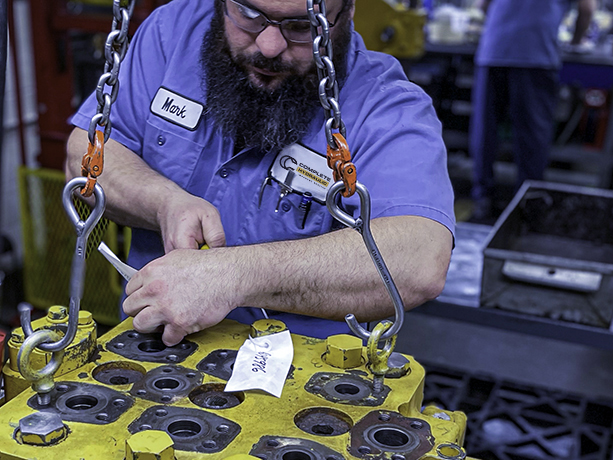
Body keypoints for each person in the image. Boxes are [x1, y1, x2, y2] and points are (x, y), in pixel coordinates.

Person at [67, 0, 455, 346]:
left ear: (347, 14)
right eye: (249, 14)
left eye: (302, 26)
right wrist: (162, 202)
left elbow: (419, 261)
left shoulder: (385, 106)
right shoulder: (172, 35)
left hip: (303, 393)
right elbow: (85, 156)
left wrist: (232, 276)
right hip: (155, 356)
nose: (269, 46)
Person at [469, 0, 596, 223]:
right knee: (532, 135)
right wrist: (576, 41)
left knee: (485, 130)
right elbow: (586, 10)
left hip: (494, 49)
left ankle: (482, 199)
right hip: (536, 53)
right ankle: (528, 205)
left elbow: (482, 5)